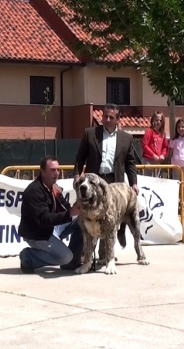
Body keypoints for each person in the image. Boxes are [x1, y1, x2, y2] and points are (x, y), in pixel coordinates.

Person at [73, 103, 139, 260]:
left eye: (111, 117)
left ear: (118, 119)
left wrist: (133, 183)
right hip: (94, 183)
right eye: (105, 116)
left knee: (107, 219)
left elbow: (130, 163)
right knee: (88, 216)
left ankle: (105, 255)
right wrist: (76, 175)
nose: (107, 119)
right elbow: (80, 157)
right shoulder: (90, 134)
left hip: (114, 182)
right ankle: (86, 255)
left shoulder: (126, 138)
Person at [18, 156, 83, 273]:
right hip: (37, 234)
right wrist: (70, 213)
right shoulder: (34, 191)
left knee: (81, 220)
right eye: (52, 170)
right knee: (65, 257)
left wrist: (74, 208)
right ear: (42, 171)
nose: (56, 173)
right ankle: (28, 257)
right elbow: (44, 219)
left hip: (50, 229)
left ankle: (74, 260)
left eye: (58, 170)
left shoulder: (52, 187)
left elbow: (66, 208)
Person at [168, 118, 184, 208]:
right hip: (175, 163)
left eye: (182, 127)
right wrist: (170, 163)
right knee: (176, 183)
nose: (181, 129)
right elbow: (170, 152)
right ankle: (177, 201)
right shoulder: (174, 139)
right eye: (178, 127)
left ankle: (183, 201)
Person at [142, 111, 168, 177]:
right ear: (153, 120)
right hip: (148, 159)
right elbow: (144, 145)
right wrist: (153, 155)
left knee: (156, 179)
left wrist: (163, 155)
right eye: (156, 120)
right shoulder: (149, 131)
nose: (158, 122)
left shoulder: (163, 134)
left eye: (160, 120)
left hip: (158, 160)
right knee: (148, 179)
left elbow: (165, 147)